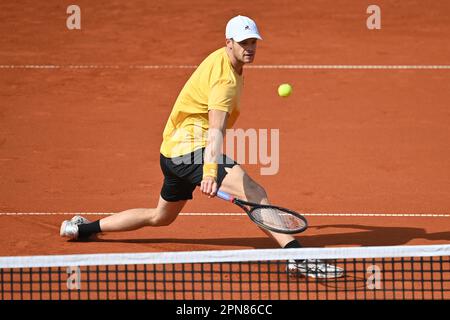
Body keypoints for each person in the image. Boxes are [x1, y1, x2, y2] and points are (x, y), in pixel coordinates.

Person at [60, 15, 343, 278]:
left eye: (253, 42)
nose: (250, 48)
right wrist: (209, 174)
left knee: (160, 217)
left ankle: (80, 228)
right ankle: (298, 257)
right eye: (244, 43)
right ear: (229, 42)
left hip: (172, 150)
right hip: (191, 151)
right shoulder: (225, 82)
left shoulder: (222, 59)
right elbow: (216, 131)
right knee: (255, 192)